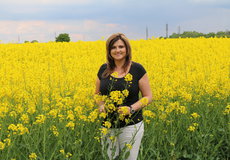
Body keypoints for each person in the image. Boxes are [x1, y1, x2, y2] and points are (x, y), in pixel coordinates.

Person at [95, 33, 152, 160]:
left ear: (127, 49)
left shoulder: (137, 69)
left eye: (121, 47)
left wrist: (131, 109)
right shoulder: (103, 69)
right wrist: (101, 105)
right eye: (113, 47)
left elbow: (148, 96)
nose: (117, 50)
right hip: (107, 125)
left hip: (131, 125)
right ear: (109, 51)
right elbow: (97, 94)